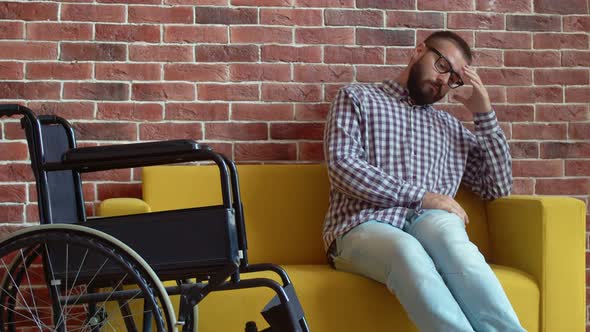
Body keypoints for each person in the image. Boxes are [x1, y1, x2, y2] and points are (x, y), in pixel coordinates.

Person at [322, 30, 525, 331]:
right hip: (362, 224)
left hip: (430, 223)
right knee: (407, 251)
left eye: (455, 78)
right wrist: (423, 196)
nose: (445, 80)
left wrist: (484, 114)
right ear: (419, 51)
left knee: (457, 247)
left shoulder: (449, 127)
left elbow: (496, 187)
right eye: (442, 65)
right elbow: (342, 167)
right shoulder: (357, 98)